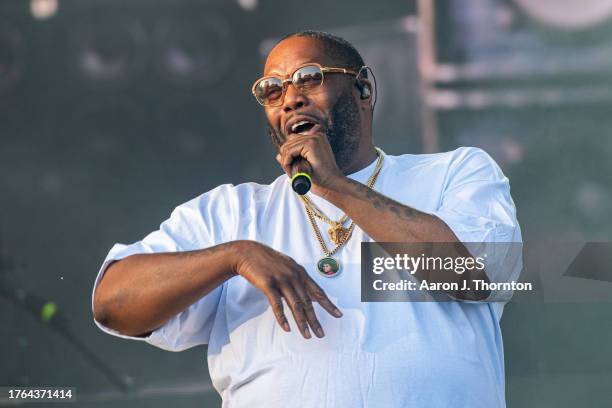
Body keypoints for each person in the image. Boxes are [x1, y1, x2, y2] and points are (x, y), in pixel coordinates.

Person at [92, 30, 521, 407]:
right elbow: (112, 304)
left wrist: (336, 184)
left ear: (364, 89)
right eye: (272, 91)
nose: (291, 97)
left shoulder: (453, 173)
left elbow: (474, 275)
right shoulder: (232, 213)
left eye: (310, 78)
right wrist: (235, 256)